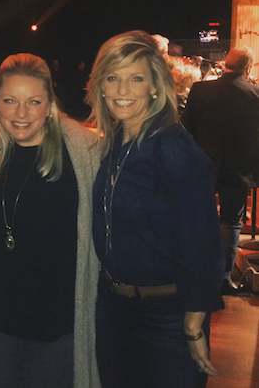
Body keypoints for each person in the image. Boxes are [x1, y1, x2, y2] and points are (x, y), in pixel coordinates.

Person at [86, 30, 224, 388]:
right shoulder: (118, 139)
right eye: (112, 78)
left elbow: (204, 244)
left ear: (154, 86)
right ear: (100, 85)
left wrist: (193, 326)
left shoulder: (174, 150)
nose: (122, 90)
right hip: (115, 309)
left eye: (136, 79)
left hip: (167, 316)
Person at [0, 53, 101, 388]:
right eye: (10, 100)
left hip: (56, 323)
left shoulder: (84, 152)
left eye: (33, 101)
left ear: (49, 105)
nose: (21, 113)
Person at [183, 46, 259, 294]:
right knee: (231, 222)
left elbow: (187, 129)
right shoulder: (255, 95)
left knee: (197, 217)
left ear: (226, 62)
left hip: (202, 165)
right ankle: (223, 279)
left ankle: (194, 272)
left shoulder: (201, 90)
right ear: (247, 67)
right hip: (238, 170)